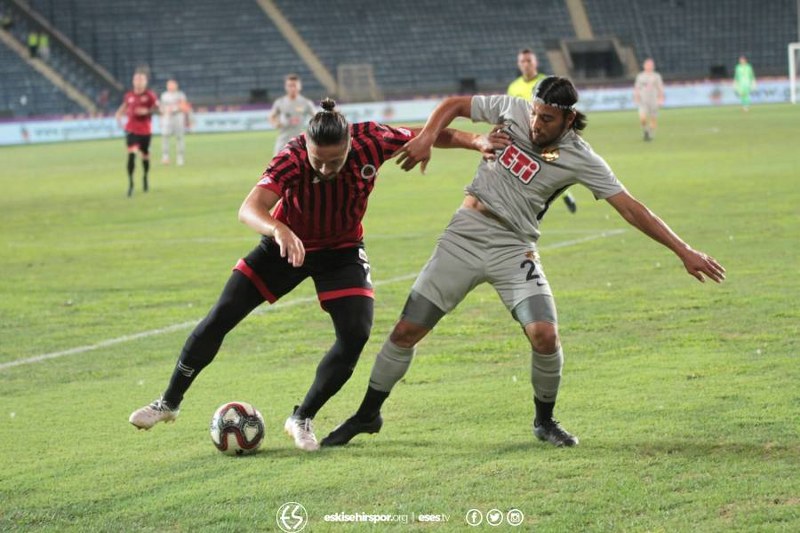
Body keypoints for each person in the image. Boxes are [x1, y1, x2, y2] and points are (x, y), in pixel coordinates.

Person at [322, 77, 726, 449]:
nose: (535, 123)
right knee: (407, 330)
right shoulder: (512, 109)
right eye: (534, 113)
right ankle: (367, 414)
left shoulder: (581, 158)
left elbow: (631, 208)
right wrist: (428, 136)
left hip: (514, 247)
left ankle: (544, 421)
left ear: (568, 119)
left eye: (546, 118)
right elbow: (456, 104)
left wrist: (684, 251)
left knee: (545, 336)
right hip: (464, 235)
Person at [128, 98, 506, 452]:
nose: (326, 169)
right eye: (318, 161)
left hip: (342, 253)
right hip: (285, 247)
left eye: (336, 160)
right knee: (220, 317)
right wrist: (278, 229)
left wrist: (475, 140)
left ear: (349, 145)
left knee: (355, 334)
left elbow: (427, 134)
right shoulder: (291, 157)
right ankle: (168, 402)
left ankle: (302, 416)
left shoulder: (371, 140)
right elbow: (250, 208)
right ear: (305, 147)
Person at [508, 48, 577, 213]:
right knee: (525, 168)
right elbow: (510, 110)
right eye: (523, 61)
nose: (526, 65)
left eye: (529, 61)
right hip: (523, 133)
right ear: (519, 64)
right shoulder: (513, 87)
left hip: (545, 132)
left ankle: (560, 194)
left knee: (547, 166)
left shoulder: (545, 83)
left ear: (535, 63)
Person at [115, 71, 159, 196]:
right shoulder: (129, 95)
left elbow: (159, 110)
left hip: (145, 131)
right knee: (131, 154)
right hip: (131, 130)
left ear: (145, 82)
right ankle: (131, 184)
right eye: (136, 79)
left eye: (141, 79)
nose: (138, 81)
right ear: (133, 81)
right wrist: (119, 114)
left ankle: (145, 177)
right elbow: (124, 107)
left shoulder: (150, 96)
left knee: (145, 155)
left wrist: (147, 111)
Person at [269, 74, 317, 155]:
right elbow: (272, 116)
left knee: (301, 166)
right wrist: (276, 123)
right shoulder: (280, 102)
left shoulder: (306, 103)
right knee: (278, 166)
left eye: (294, 85)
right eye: (289, 85)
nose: (292, 88)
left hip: (299, 143)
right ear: (286, 87)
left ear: (299, 86)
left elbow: (317, 117)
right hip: (283, 141)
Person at [633, 58, 665, 141]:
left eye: (651, 65)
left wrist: (661, 98)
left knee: (653, 119)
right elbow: (637, 88)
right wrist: (636, 97)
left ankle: (648, 133)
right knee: (643, 118)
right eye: (647, 65)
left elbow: (660, 88)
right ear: (644, 66)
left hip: (653, 100)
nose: (649, 67)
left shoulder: (656, 76)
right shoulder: (640, 76)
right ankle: (645, 130)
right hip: (643, 100)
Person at [159, 79, 190, 165]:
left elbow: (184, 106)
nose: (170, 86)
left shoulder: (180, 95)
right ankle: (165, 157)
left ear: (176, 86)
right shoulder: (164, 95)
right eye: (169, 85)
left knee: (179, 137)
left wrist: (174, 109)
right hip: (167, 117)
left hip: (178, 117)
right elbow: (161, 108)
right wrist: (161, 118)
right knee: (165, 136)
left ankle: (180, 158)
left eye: (172, 85)